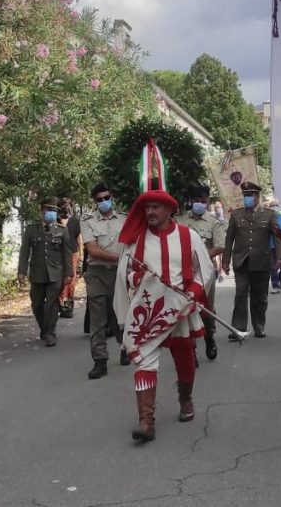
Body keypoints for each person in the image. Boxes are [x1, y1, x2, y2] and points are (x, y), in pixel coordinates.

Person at [114, 187, 213, 442]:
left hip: (179, 309)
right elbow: (125, 275)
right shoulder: (136, 239)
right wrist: (139, 277)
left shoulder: (188, 236)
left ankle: (185, 399)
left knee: (185, 359)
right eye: (147, 208)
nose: (150, 212)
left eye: (156, 207)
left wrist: (193, 291)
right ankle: (146, 420)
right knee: (144, 361)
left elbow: (206, 270)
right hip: (148, 312)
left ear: (170, 210)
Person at [222, 181, 281, 338]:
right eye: (245, 196)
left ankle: (259, 325)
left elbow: (277, 237)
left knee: (260, 297)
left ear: (257, 196)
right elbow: (229, 239)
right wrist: (225, 260)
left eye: (249, 195)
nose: (247, 198)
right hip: (241, 261)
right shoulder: (236, 215)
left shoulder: (270, 215)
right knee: (241, 294)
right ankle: (238, 328)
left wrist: (280, 257)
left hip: (262, 262)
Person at [174, 182, 226, 361]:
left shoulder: (213, 222)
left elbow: (219, 246)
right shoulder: (180, 220)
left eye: (202, 200)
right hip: (181, 271)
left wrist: (199, 257)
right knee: (186, 307)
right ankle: (191, 351)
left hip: (204, 272)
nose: (199, 203)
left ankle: (209, 336)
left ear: (207, 200)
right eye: (195, 200)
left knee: (206, 307)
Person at [81, 182, 128, 379]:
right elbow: (92, 250)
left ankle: (125, 347)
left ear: (112, 198)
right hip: (97, 274)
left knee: (119, 315)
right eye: (99, 200)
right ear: (95, 202)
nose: (104, 202)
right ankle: (100, 361)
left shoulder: (125, 220)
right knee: (98, 320)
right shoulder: (88, 221)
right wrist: (121, 257)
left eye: (106, 198)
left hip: (120, 274)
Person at [17, 198, 73, 347]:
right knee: (36, 304)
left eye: (54, 211)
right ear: (41, 211)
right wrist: (21, 272)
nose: (51, 213)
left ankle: (50, 333)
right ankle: (44, 328)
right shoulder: (31, 230)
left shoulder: (62, 230)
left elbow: (67, 253)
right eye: (48, 210)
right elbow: (24, 252)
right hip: (37, 273)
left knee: (52, 304)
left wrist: (69, 274)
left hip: (56, 273)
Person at [57, 197, 82, 319]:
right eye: (63, 205)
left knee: (70, 281)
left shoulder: (75, 221)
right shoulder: (56, 221)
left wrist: (81, 255)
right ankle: (59, 304)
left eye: (68, 205)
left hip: (72, 254)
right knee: (60, 281)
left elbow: (79, 238)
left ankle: (68, 304)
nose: (66, 207)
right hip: (58, 254)